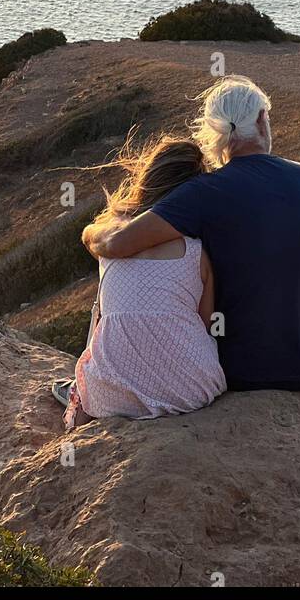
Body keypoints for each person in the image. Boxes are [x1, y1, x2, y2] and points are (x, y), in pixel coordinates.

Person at [80, 76, 300, 393]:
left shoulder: (203, 192)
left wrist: (91, 232)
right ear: (262, 120)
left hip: (242, 373)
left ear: (214, 132)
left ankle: (97, 380)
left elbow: (116, 244)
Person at [53, 135, 226, 428]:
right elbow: (207, 326)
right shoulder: (197, 253)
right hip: (193, 390)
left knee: (103, 308)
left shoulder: (112, 236)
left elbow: (89, 233)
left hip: (113, 398)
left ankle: (81, 395)